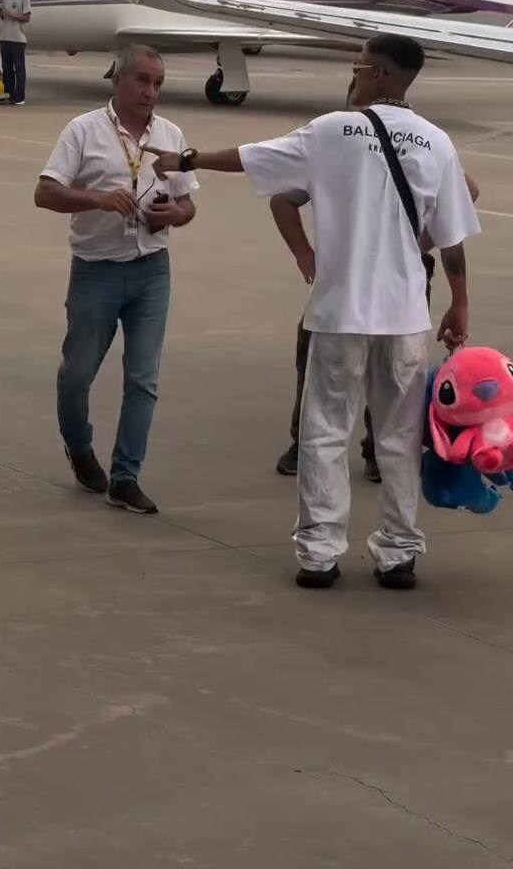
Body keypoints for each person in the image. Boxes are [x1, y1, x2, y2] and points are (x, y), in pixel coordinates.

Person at [147, 34, 480, 590]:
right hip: (403, 318)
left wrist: (186, 158)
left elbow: (250, 157)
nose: (352, 77)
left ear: (378, 74)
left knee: (325, 432)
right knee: (400, 438)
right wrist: (460, 305)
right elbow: (452, 242)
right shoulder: (436, 142)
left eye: (357, 67)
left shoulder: (331, 132)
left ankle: (320, 553)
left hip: (339, 312)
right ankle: (398, 555)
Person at [34, 44, 197, 514]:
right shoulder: (83, 131)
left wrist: (174, 213)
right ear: (118, 80)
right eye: (143, 81)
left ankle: (126, 475)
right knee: (77, 374)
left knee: (143, 377)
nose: (151, 92)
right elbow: (45, 193)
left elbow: (188, 203)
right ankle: (79, 447)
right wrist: (96, 200)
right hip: (97, 271)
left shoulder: (170, 133)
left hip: (151, 272)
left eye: (158, 83)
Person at [271, 177, 479, 484]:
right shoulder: (414, 144)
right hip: (376, 273)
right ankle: (363, 449)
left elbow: (282, 199)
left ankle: (321, 446)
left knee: (340, 357)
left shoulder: (366, 141)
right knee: (377, 364)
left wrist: (306, 254)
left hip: (367, 272)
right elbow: (464, 198)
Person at [0, 0, 31, 105]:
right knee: (6, 68)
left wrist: (10, 14)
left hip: (18, 38)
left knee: (19, 69)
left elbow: (26, 18)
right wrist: (1, 13)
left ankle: (20, 97)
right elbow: (4, 18)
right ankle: (9, 93)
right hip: (5, 37)